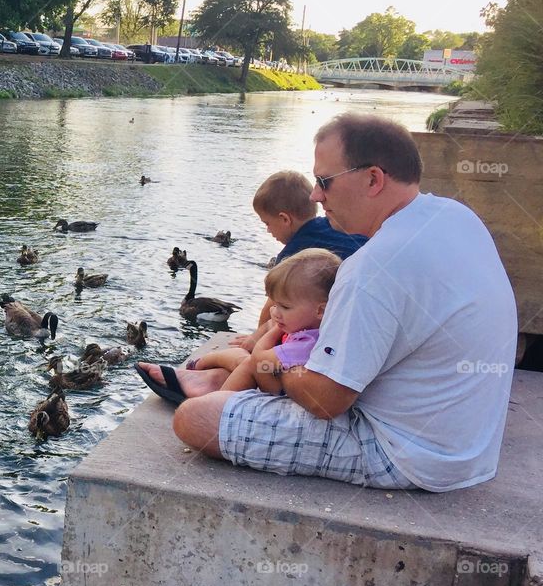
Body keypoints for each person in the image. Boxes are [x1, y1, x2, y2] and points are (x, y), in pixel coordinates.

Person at [140, 113, 517, 491]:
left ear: (373, 179)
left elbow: (325, 401)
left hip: (407, 453)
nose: (315, 196)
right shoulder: (456, 216)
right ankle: (225, 376)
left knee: (194, 418)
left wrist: (270, 362)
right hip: (469, 444)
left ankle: (221, 380)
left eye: (324, 181)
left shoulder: (373, 267)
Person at [219, 170, 366, 357]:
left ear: (284, 219)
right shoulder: (334, 225)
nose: (268, 231)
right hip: (351, 315)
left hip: (326, 323)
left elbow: (272, 304)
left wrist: (255, 340)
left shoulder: (294, 256)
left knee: (277, 314)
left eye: (267, 223)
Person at [211, 248, 341, 393]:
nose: (274, 312)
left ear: (321, 311)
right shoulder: (316, 330)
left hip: (282, 394)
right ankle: (200, 367)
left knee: (248, 363)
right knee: (240, 359)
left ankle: (218, 402)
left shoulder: (307, 342)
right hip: (284, 384)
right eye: (275, 305)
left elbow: (259, 358)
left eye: (285, 306)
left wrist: (276, 329)